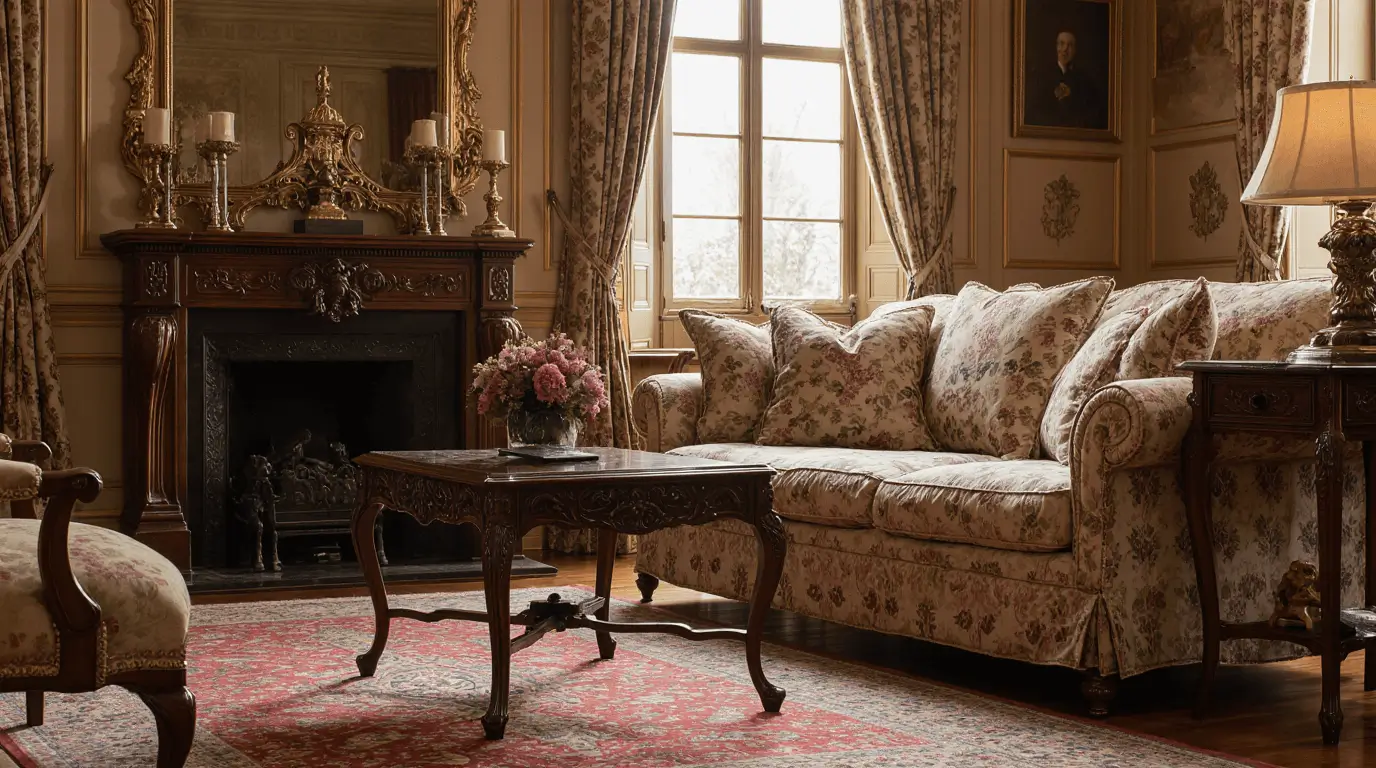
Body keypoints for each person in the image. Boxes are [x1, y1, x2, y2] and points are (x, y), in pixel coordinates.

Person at [1026, 29, 1105, 130]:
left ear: (1075, 50)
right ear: (1056, 47)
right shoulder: (1041, 75)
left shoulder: (1084, 80)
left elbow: (1092, 112)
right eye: (1061, 44)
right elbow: (1034, 110)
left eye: (1070, 45)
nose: (1065, 49)